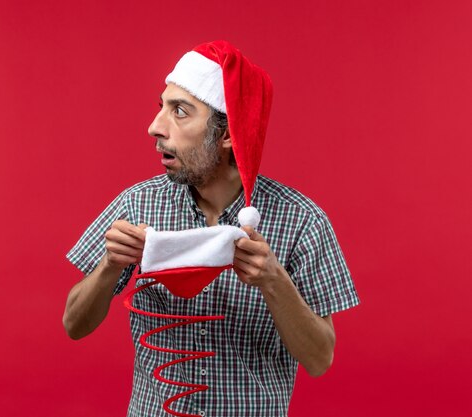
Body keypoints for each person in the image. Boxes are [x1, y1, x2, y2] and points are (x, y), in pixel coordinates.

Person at [63, 40, 359, 417]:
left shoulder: (302, 221)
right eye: (162, 107)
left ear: (227, 134)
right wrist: (109, 266)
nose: (155, 127)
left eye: (180, 112)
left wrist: (273, 281)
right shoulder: (137, 204)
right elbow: (73, 324)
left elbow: (320, 359)